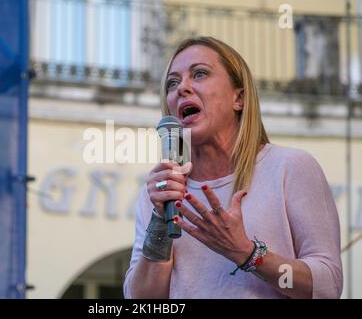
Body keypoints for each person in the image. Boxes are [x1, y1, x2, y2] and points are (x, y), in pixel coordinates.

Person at [123, 36, 343, 299]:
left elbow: (327, 286)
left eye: (200, 74)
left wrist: (246, 253)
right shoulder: (161, 192)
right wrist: (159, 222)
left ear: (238, 98)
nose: (182, 87)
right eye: (172, 82)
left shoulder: (290, 168)